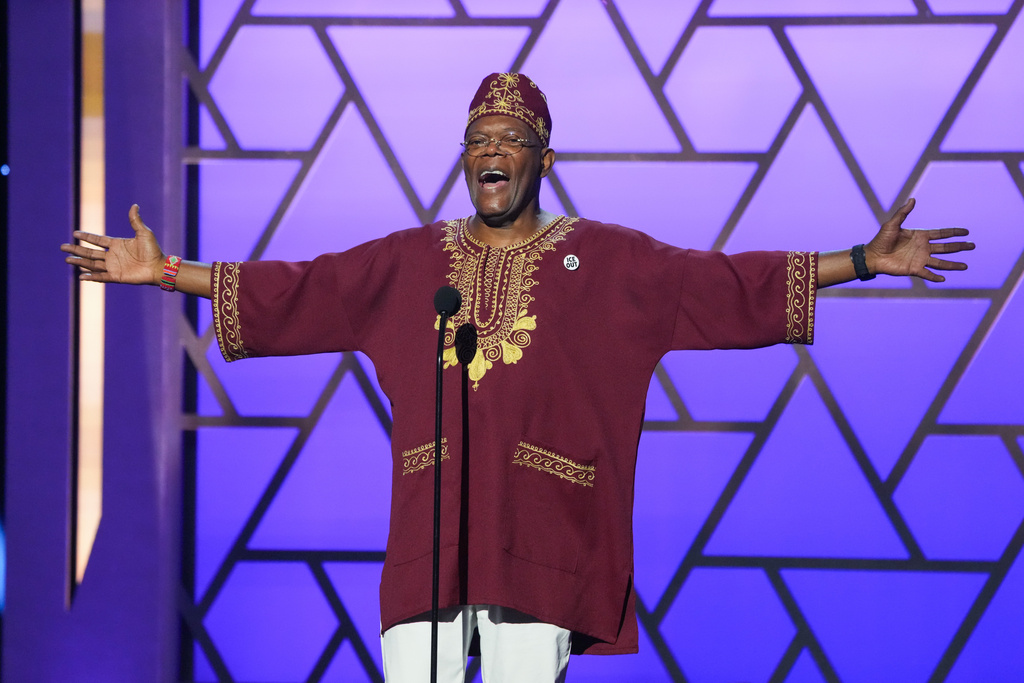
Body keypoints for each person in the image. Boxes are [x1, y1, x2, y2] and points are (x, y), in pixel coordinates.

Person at [62, 73, 974, 683]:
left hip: (543, 545)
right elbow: (300, 291)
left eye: (508, 137)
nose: (488, 150)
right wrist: (168, 272)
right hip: (427, 550)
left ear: (543, 157)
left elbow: (724, 284)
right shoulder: (411, 261)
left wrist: (858, 258)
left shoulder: (612, 261)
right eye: (474, 139)